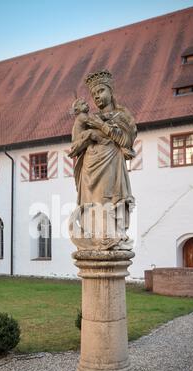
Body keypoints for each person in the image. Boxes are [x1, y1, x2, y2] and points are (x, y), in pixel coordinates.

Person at [69, 70, 137, 250]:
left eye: (101, 91)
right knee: (92, 204)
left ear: (110, 91)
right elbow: (75, 145)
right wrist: (86, 131)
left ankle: (111, 237)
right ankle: (95, 238)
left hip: (110, 163)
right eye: (94, 94)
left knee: (108, 200)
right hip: (89, 167)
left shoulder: (121, 116)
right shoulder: (88, 118)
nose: (97, 96)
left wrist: (100, 126)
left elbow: (125, 141)